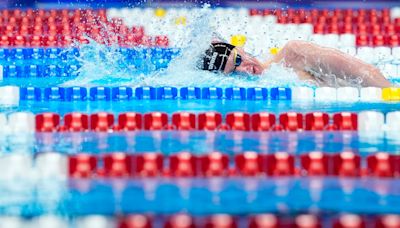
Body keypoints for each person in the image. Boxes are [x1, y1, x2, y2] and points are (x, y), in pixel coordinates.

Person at [200, 40, 392, 87]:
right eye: (234, 72)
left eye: (239, 60)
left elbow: (365, 72)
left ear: (240, 48)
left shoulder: (294, 54)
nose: (245, 70)